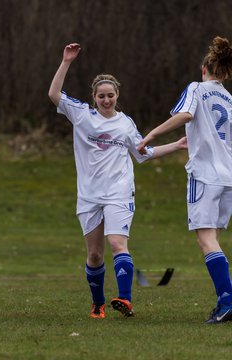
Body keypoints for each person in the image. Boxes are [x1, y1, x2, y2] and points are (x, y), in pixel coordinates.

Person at [48, 43, 187, 319]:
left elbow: (143, 154)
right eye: (101, 96)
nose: (106, 100)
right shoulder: (81, 114)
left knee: (117, 244)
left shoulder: (125, 124)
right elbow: (53, 94)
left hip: (119, 192)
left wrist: (177, 145)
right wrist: (66, 62)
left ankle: (125, 299)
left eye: (110, 95)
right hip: (89, 195)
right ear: (94, 97)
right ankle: (97, 304)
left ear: (117, 95)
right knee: (95, 256)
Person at [138, 36, 232, 324]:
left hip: (205, 175)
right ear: (225, 73)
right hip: (229, 176)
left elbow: (186, 114)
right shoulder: (229, 99)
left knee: (205, 240)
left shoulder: (197, 88)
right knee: (213, 238)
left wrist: (152, 134)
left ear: (204, 69)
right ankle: (224, 301)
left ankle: (227, 301)